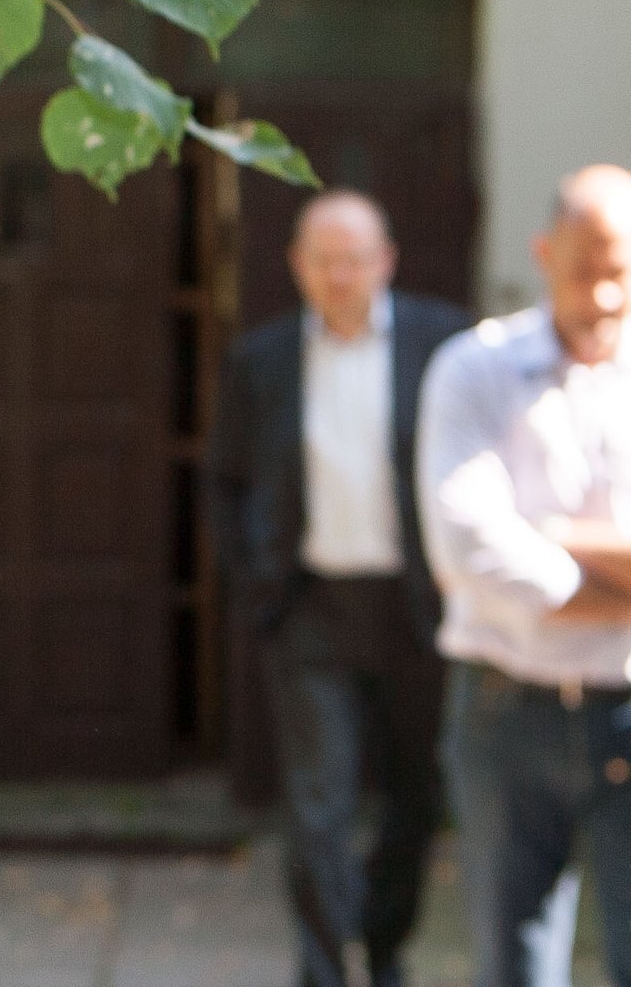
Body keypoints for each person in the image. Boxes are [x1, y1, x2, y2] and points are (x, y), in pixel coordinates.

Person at [208, 190, 472, 987]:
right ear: (298, 266)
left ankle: (384, 950)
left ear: (385, 261)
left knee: (414, 797)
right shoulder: (262, 360)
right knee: (318, 807)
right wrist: (251, 583)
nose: (339, 276)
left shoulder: (444, 344)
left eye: (354, 260)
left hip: (416, 608)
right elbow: (225, 481)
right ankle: (323, 971)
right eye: (323, 261)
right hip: (310, 609)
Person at [419, 164, 631, 987]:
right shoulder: (476, 368)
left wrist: (554, 541)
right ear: (544, 254)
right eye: (584, 271)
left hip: (624, 700)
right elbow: (470, 551)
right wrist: (609, 582)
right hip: (507, 707)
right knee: (515, 962)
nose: (603, 296)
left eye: (619, 273)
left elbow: (511, 552)